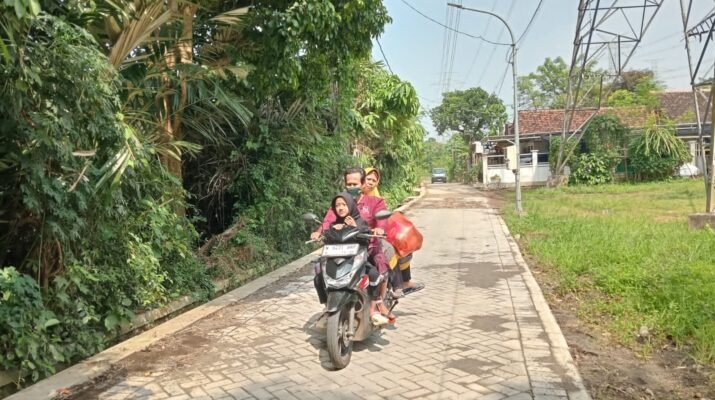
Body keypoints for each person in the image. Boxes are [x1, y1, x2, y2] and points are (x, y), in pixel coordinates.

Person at [311, 167, 393, 324]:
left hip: (367, 246)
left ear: (363, 183)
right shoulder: (340, 202)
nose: (352, 187)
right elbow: (328, 221)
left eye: (355, 184)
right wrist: (319, 231)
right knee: (319, 270)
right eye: (349, 184)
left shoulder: (375, 202)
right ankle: (328, 304)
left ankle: (377, 305)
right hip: (341, 248)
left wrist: (379, 228)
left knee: (378, 267)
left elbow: (381, 220)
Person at [361, 167, 425, 298]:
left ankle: (399, 285)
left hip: (373, 235)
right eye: (368, 179)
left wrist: (380, 228)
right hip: (353, 236)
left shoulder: (377, 199)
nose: (370, 183)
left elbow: (382, 218)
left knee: (393, 248)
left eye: (374, 180)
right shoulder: (352, 197)